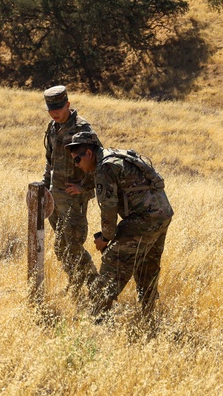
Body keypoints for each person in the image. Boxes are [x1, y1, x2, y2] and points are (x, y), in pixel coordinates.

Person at [66, 131, 173, 320]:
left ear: (89, 153)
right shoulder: (116, 155)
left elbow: (108, 210)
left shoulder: (105, 168)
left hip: (143, 220)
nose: (78, 166)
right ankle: (148, 316)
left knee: (112, 263)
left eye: (77, 160)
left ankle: (97, 320)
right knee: (147, 265)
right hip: (162, 216)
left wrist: (105, 239)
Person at [41, 85, 100, 299]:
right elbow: (50, 161)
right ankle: (75, 284)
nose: (55, 113)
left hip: (74, 200)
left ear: (68, 104)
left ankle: (97, 289)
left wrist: (83, 188)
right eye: (51, 109)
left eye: (58, 108)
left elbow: (99, 164)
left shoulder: (82, 130)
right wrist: (44, 186)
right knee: (60, 247)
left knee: (73, 246)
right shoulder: (52, 127)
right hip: (54, 199)